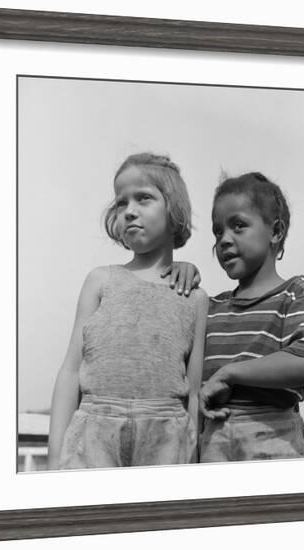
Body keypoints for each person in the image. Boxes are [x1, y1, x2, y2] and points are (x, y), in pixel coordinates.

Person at [47, 153, 208, 470]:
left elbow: (194, 390)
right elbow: (70, 371)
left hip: (168, 438)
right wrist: (54, 456)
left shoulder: (195, 297)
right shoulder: (100, 281)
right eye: (121, 203)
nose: (130, 211)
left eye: (143, 198)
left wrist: (195, 463)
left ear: (173, 207)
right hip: (93, 432)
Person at [199, 172, 304, 462]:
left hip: (277, 438)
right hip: (212, 442)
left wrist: (230, 373)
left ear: (275, 231)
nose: (224, 240)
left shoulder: (294, 293)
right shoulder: (210, 307)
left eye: (238, 226)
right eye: (217, 232)